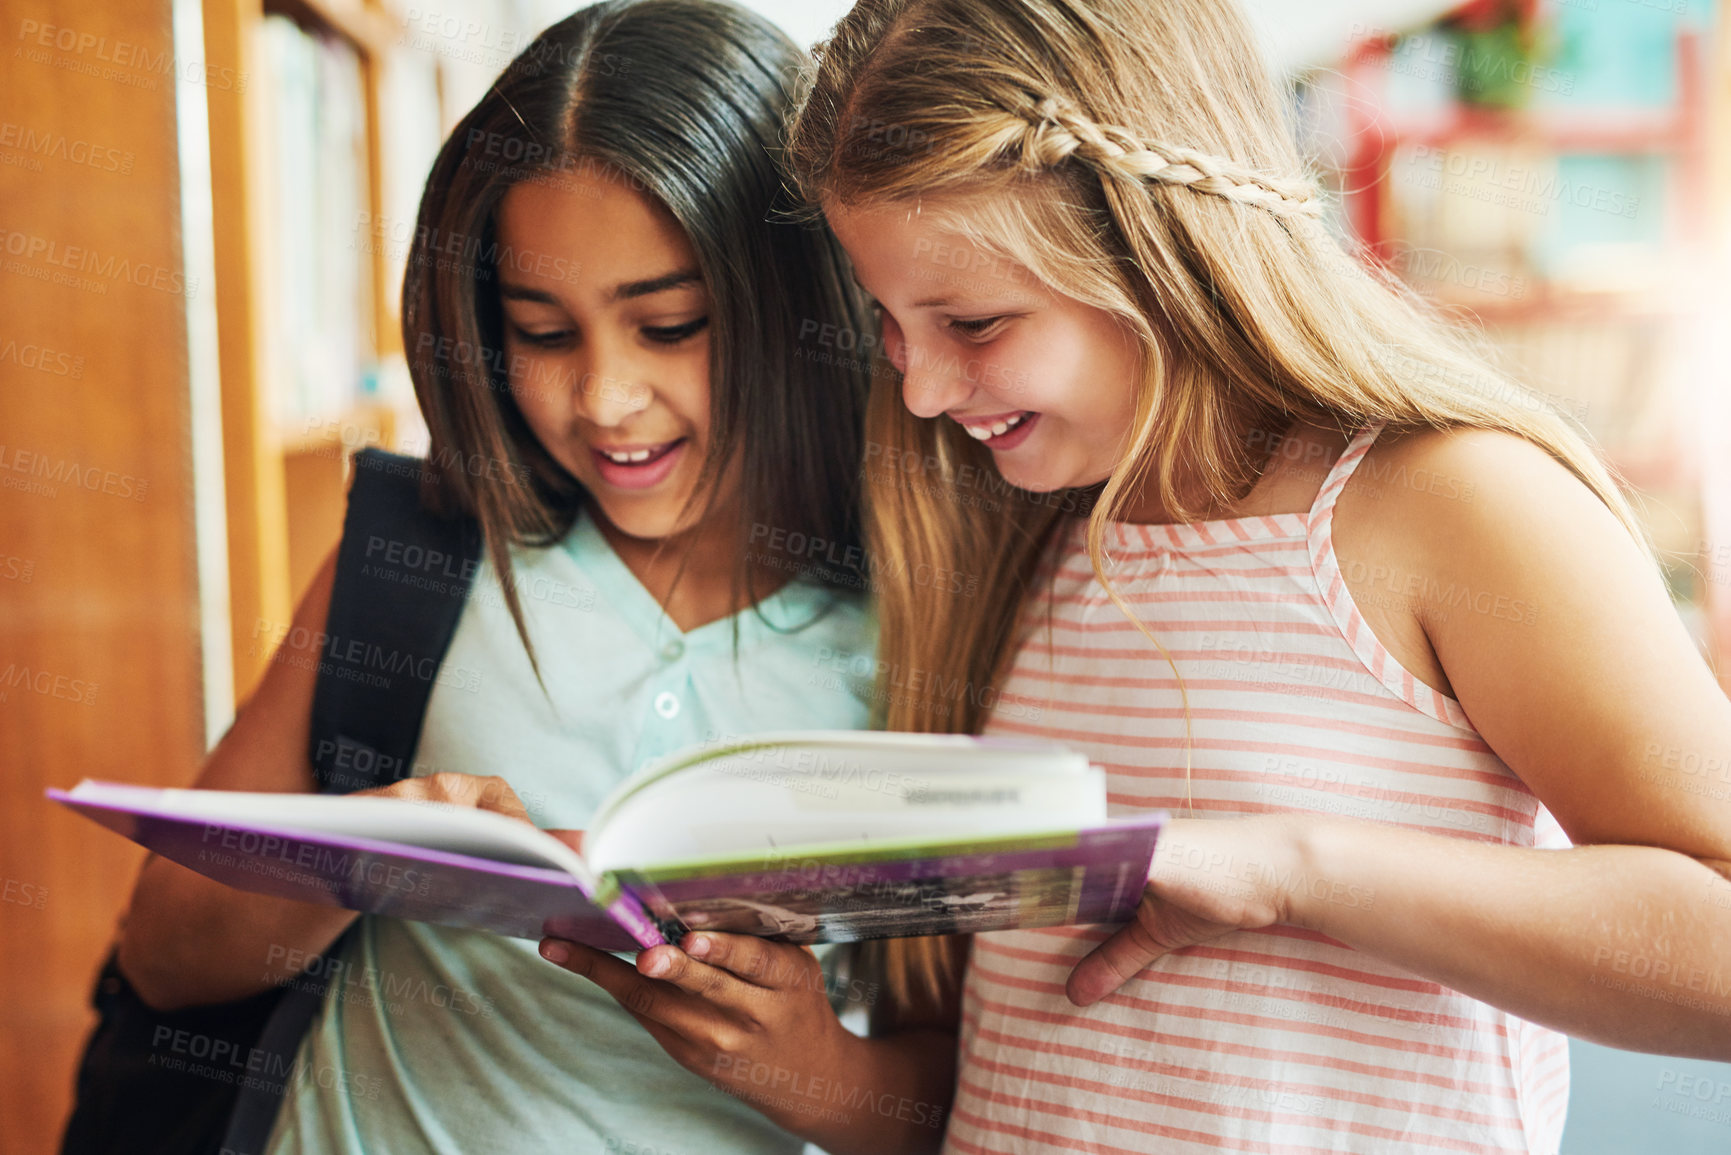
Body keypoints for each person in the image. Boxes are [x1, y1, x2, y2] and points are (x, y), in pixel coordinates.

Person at [764, 0, 1731, 1151]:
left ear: (1160, 248)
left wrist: (1293, 868)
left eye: (973, 321)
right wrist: (800, 1066)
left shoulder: (1450, 503)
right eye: (886, 320)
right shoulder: (1037, 532)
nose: (919, 389)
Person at [113, 2, 948, 1152]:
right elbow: (162, 957)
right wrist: (359, 856)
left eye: (672, 324)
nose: (603, 399)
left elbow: (979, 1098)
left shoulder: (928, 625)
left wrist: (814, 1073)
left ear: (804, 302)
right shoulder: (421, 557)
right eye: (543, 334)